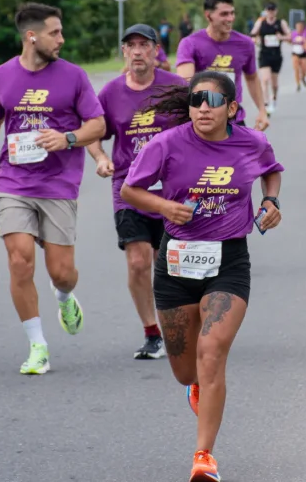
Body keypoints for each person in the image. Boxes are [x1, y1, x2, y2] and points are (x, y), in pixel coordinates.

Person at [120, 70, 283, 482]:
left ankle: (203, 456)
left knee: (212, 352)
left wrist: (271, 200)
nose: (203, 108)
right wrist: (164, 207)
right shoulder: (167, 143)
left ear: (232, 108)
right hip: (176, 264)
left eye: (212, 100)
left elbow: (271, 169)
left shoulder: (251, 142)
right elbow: (129, 190)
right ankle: (196, 387)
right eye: (196, 100)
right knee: (185, 371)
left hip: (229, 261)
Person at [0, 2, 106, 375]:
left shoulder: (74, 76)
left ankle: (64, 298)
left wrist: (67, 137)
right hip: (13, 181)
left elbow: (96, 125)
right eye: (55, 33)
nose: (61, 39)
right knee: (19, 260)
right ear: (31, 37)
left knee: (62, 272)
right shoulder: (0, 76)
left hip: (58, 183)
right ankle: (38, 346)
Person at [87, 24, 188, 359]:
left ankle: (181, 322)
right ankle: (152, 333)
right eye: (131, 46)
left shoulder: (177, 88)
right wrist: (101, 158)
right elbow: (93, 132)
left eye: (145, 45)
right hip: (129, 189)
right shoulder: (111, 93)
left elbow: (204, 122)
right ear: (124, 52)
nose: (138, 51)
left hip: (172, 191)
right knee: (138, 261)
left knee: (170, 264)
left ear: (156, 51)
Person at [176, 0, 270, 131]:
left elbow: (252, 78)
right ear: (208, 15)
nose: (230, 18)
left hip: (233, 121)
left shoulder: (245, 44)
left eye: (232, 13)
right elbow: (185, 83)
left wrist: (262, 111)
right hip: (203, 121)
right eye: (224, 14)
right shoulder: (190, 44)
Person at [249, 2, 291, 115]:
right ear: (265, 11)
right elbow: (252, 33)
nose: (270, 12)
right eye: (268, 10)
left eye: (272, 10)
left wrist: (281, 37)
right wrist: (255, 39)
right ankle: (266, 103)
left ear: (276, 11)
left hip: (276, 56)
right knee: (265, 79)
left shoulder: (280, 23)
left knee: (274, 84)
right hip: (264, 54)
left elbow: (290, 36)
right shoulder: (261, 22)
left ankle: (274, 98)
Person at [291, 20, 306, 91]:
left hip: (303, 53)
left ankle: (303, 78)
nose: (298, 28)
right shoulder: (293, 33)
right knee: (296, 69)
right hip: (295, 53)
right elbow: (290, 40)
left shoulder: (305, 34)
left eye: (300, 26)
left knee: (304, 69)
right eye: (297, 26)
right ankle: (298, 84)